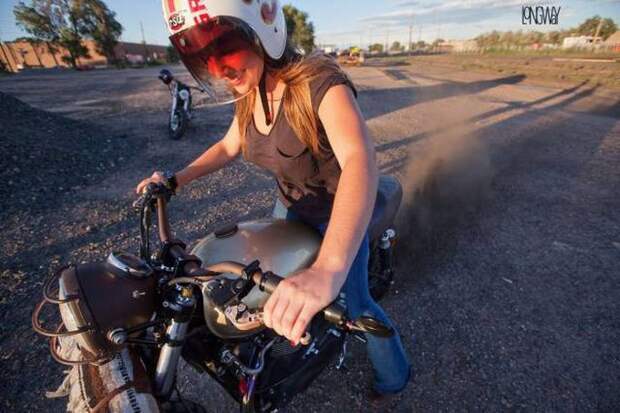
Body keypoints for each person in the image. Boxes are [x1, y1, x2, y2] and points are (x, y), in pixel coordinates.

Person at [137, 0, 411, 400]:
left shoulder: (318, 83)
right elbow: (232, 143)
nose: (218, 70)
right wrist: (175, 180)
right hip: (288, 211)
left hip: (338, 216)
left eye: (224, 48)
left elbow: (359, 159)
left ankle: (395, 375)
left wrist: (328, 269)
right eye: (204, 58)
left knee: (355, 306)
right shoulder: (249, 88)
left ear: (260, 29)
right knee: (262, 288)